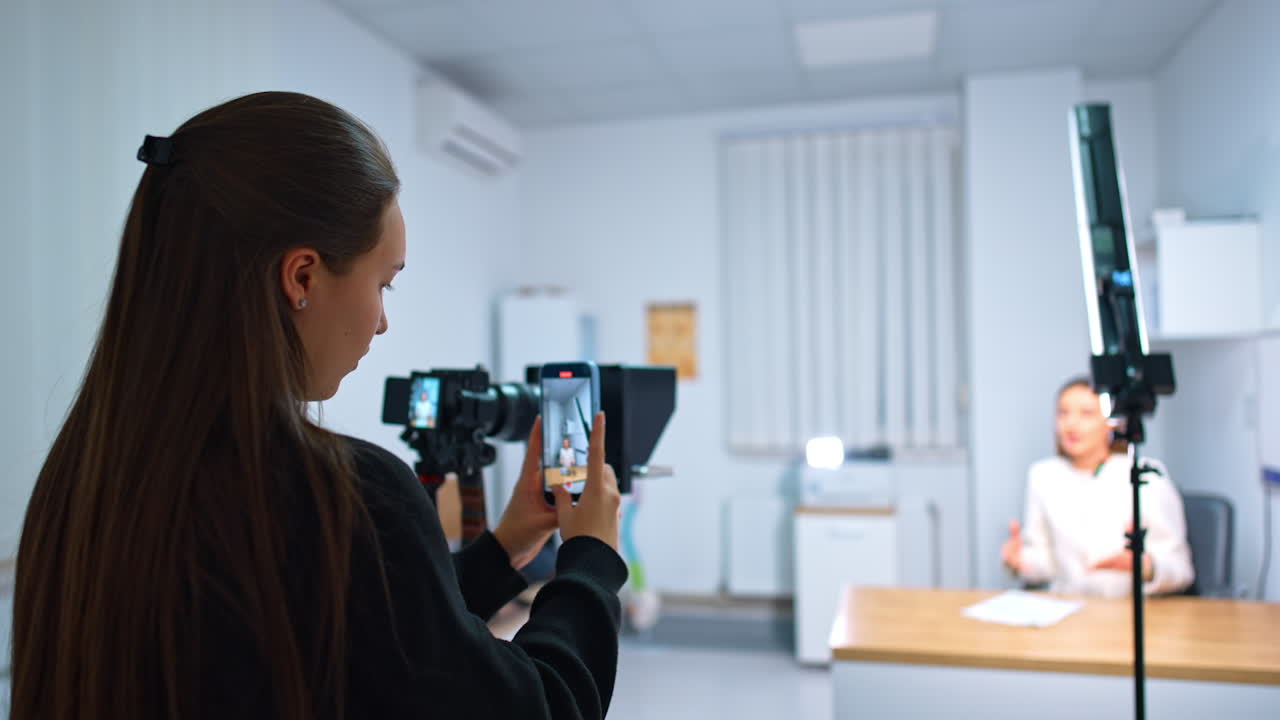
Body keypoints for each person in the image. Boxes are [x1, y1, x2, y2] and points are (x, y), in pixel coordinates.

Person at [11, 92, 626, 720]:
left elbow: (362, 630)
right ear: (302, 277)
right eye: (383, 283)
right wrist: (591, 563)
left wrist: (503, 549)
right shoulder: (346, 492)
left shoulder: (85, 476)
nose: (383, 322)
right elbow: (541, 708)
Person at [1001, 377, 1194, 597]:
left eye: (1086, 413)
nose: (1071, 424)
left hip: (1129, 610)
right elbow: (1046, 563)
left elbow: (1181, 570)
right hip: (1070, 611)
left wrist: (1145, 566)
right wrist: (1019, 561)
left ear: (1111, 422)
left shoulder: (1145, 474)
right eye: (1063, 413)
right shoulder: (1044, 475)